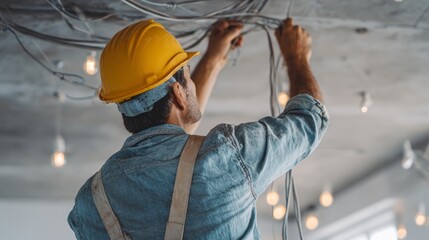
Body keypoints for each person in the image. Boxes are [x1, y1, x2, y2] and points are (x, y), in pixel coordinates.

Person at [68, 18, 329, 239]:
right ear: (179, 94)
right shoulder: (228, 157)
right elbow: (309, 119)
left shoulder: (90, 203)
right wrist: (296, 58)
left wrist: (214, 58)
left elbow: (180, 159)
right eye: (188, 76)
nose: (191, 83)